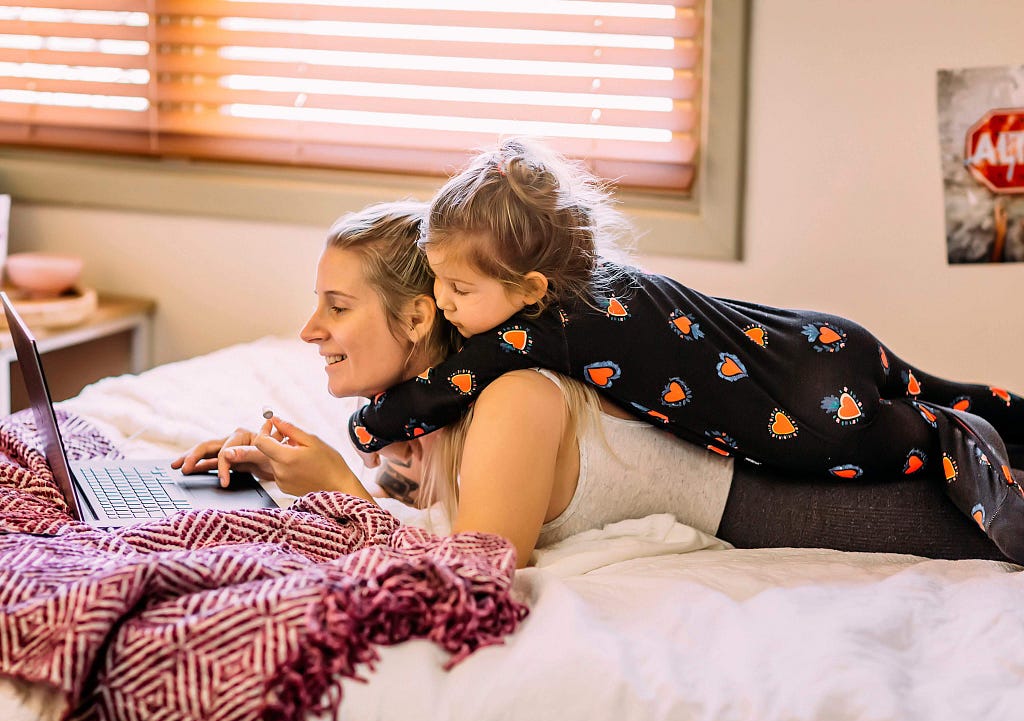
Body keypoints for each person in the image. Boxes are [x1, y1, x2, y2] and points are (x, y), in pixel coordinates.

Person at [174, 200, 1021, 568]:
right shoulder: (439, 410)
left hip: (833, 504)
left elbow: (474, 564)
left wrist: (331, 486)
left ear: (420, 320)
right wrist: (286, 475)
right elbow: (420, 507)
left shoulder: (513, 397)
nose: (308, 330)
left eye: (335, 305)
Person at [346, 138, 1024, 563]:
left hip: (822, 402)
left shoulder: (547, 329)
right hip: (815, 343)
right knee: (960, 393)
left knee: (937, 438)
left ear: (530, 287)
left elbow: (445, 388)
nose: (445, 301)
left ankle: (967, 436)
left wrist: (366, 428)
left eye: (459, 286)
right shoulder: (585, 288)